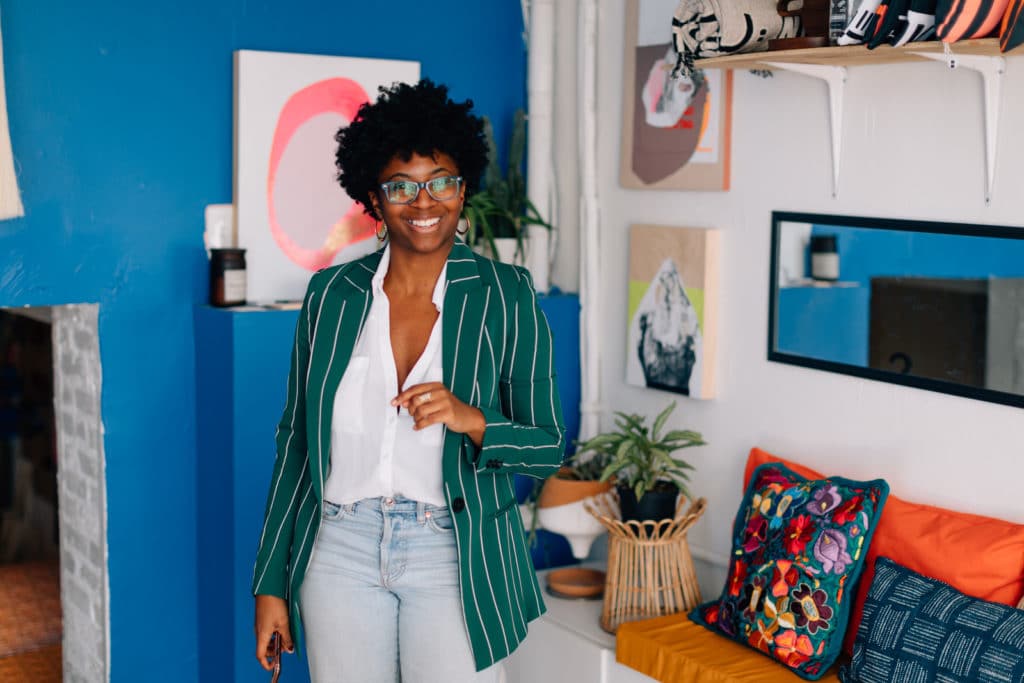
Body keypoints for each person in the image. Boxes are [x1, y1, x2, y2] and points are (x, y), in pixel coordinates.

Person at [251, 78, 566, 682]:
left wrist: (469, 418)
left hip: (454, 551)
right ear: (374, 196)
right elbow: (295, 443)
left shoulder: (508, 295)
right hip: (337, 548)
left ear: (463, 186)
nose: (424, 202)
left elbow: (548, 446)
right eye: (401, 186)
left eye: (441, 180)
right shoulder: (333, 295)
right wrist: (270, 583)